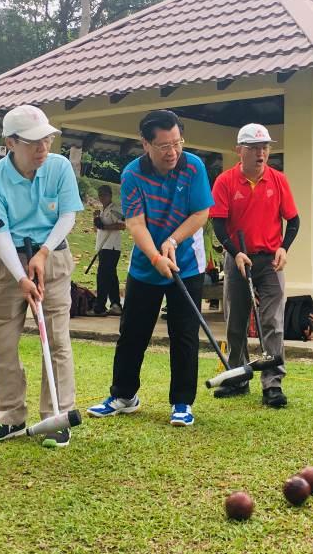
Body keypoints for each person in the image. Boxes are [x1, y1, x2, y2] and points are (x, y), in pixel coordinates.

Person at [87, 110, 213, 426]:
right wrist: (156, 257)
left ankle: (182, 402)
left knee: (184, 333)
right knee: (132, 332)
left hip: (187, 264)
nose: (172, 152)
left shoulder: (194, 166)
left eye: (177, 143)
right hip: (146, 264)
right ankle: (124, 396)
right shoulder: (132, 175)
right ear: (146, 144)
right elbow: (135, 222)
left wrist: (172, 240)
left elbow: (201, 214)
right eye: (164, 146)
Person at [0, 105, 83, 448]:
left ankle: (57, 415)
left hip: (51, 257)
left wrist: (42, 253)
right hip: (7, 264)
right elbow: (0, 233)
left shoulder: (59, 166)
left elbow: (68, 214)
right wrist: (21, 275)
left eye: (48, 139)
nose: (43, 148)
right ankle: (9, 418)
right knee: (3, 342)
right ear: (11, 142)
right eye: (34, 142)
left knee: (57, 341)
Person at [209, 123, 300, 407]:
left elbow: (293, 220)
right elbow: (219, 223)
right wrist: (235, 252)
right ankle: (238, 378)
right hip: (238, 259)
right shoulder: (225, 181)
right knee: (235, 322)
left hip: (270, 260)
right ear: (240, 151)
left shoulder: (278, 180)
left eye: (265, 148)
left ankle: (272, 384)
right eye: (254, 148)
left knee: (272, 322)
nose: (261, 154)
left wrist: (284, 247)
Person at [89, 184, 125, 316]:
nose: (102, 197)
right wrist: (97, 220)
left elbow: (122, 225)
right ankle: (116, 305)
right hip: (103, 247)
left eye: (104, 194)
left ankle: (100, 307)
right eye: (100, 195)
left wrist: (104, 226)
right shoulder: (103, 210)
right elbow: (99, 228)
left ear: (110, 195)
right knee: (110, 277)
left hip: (112, 247)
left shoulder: (115, 209)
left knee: (102, 277)